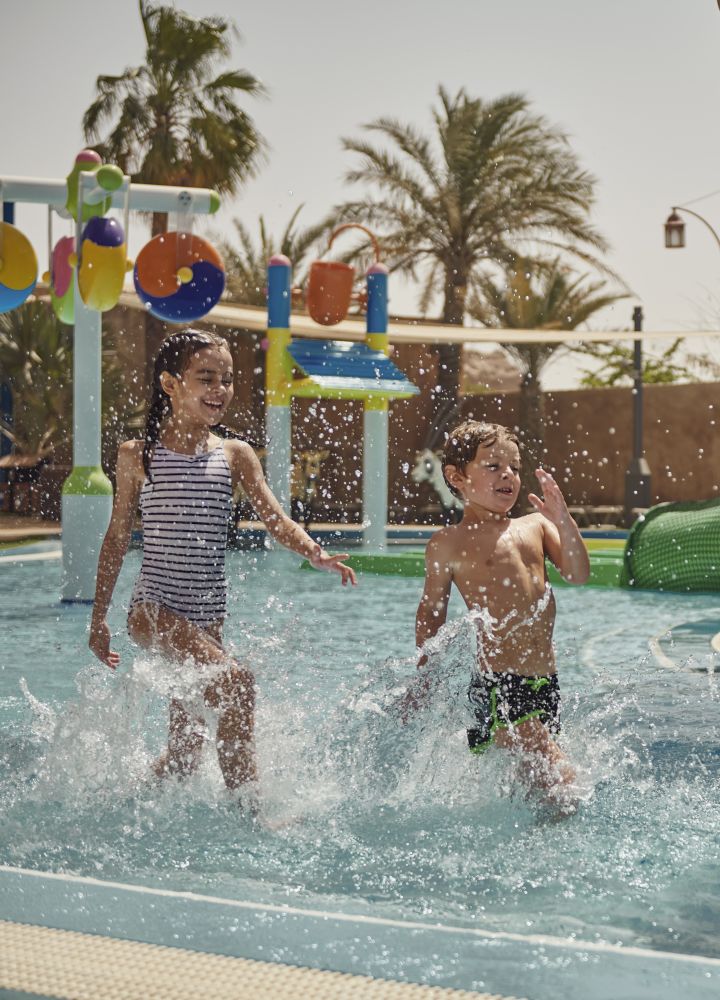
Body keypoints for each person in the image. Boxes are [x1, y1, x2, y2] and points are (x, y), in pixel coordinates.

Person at [89, 329, 356, 800]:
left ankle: (123, 800)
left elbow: (276, 520)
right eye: (207, 378)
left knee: (185, 755)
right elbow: (116, 538)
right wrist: (98, 619)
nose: (220, 389)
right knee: (236, 682)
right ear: (171, 384)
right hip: (153, 609)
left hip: (208, 616)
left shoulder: (234, 455)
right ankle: (250, 811)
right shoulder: (138, 455)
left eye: (227, 380)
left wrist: (313, 552)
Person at [410, 420, 589, 801]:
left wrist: (564, 520)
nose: (508, 474)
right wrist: (426, 676)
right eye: (493, 466)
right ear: (456, 477)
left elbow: (578, 573)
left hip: (545, 683)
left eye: (514, 467)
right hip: (500, 686)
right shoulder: (449, 542)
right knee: (564, 786)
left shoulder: (537, 526)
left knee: (534, 791)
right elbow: (432, 611)